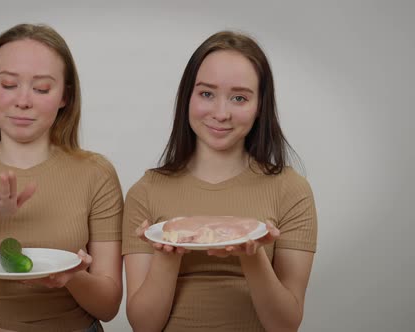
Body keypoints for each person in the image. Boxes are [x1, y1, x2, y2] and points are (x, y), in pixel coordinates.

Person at [0, 24, 123, 332]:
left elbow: (109, 307)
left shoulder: (96, 174)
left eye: (42, 89)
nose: (23, 101)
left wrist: (74, 276)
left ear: (64, 97)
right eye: (7, 84)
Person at [122, 31, 317, 332]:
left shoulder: (291, 191)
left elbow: (285, 325)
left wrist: (252, 258)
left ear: (260, 106)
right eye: (206, 94)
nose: (221, 113)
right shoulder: (145, 192)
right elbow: (144, 326)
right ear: (187, 96)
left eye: (239, 97)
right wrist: (166, 255)